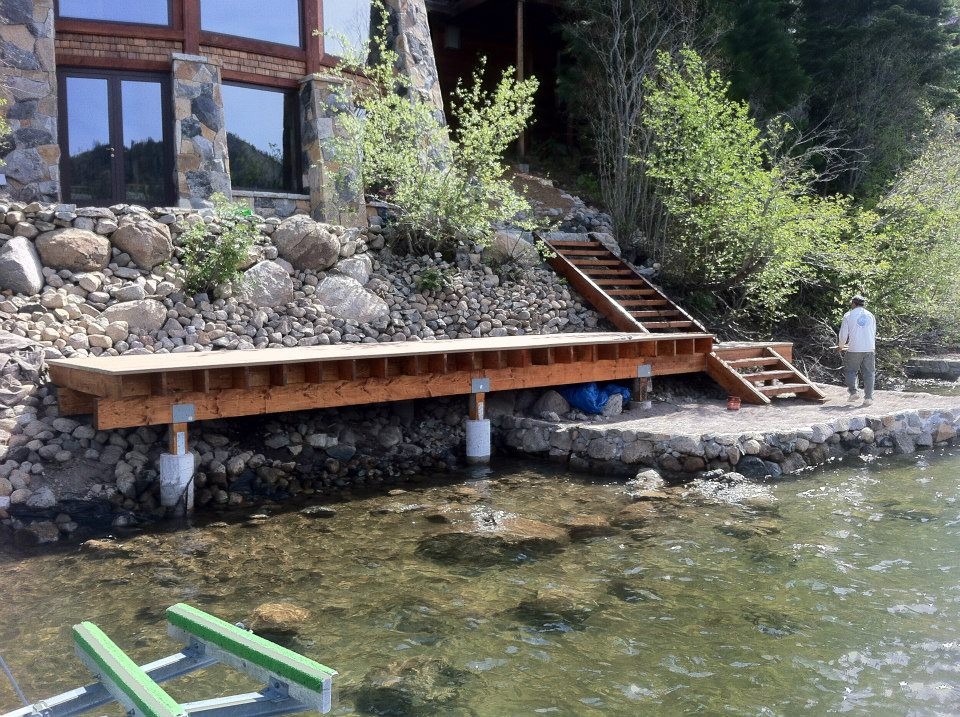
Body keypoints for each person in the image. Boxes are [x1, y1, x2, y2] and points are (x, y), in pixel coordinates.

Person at [838, 295, 876, 406]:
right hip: (869, 348)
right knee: (869, 373)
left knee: (851, 371)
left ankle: (854, 392)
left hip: (854, 348)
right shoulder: (870, 315)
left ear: (853, 303)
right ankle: (868, 398)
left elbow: (843, 334)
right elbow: (873, 332)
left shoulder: (848, 315)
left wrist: (841, 346)